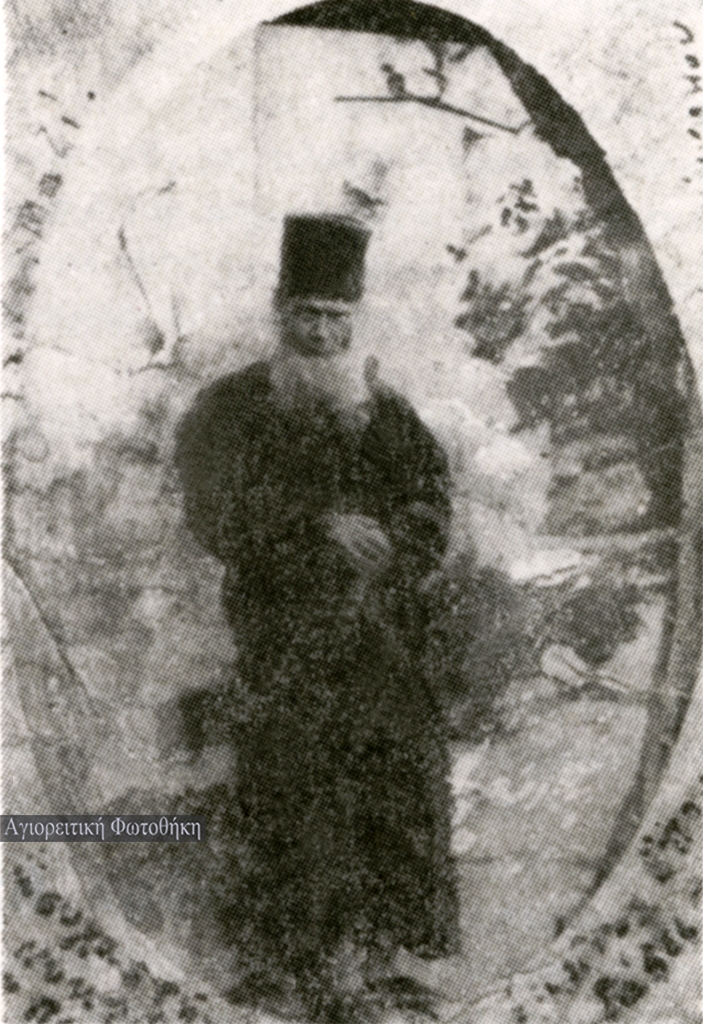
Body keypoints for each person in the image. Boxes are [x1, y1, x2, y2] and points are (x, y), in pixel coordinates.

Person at [174, 214, 460, 1020]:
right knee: (289, 791)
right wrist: (316, 529)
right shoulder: (230, 407)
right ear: (279, 311)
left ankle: (381, 961)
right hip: (280, 638)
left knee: (397, 779)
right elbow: (213, 513)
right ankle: (285, 967)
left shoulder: (385, 411)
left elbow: (430, 501)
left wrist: (396, 543)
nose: (324, 334)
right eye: (308, 315)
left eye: (338, 318)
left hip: (376, 640)